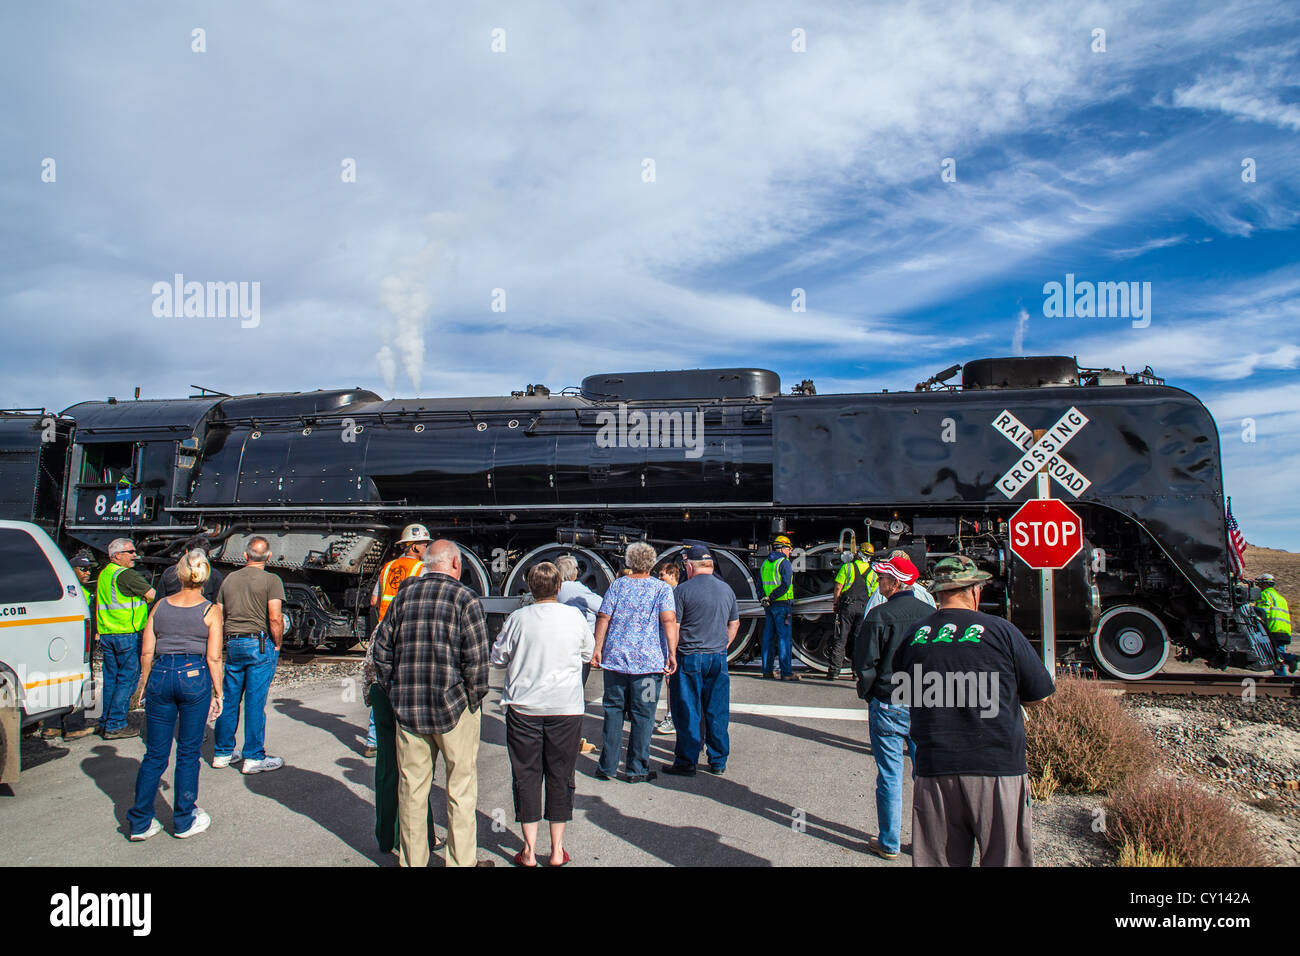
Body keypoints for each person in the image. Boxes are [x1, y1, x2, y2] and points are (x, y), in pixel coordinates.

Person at [894, 555, 1056, 867]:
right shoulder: (1001, 631)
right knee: (1004, 859)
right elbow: (1040, 696)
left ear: (938, 594)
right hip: (996, 767)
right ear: (975, 591)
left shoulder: (914, 635)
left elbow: (905, 692)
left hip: (935, 767)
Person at [371, 539, 494, 867]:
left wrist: (395, 691)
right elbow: (478, 663)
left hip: (409, 709)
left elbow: (381, 651)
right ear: (455, 564)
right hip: (454, 708)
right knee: (461, 791)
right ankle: (460, 862)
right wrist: (471, 699)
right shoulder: (465, 598)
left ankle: (413, 862)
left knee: (411, 792)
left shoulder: (404, 595)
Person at [491, 562, 593, 866]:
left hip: (524, 708)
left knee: (527, 775)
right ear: (559, 587)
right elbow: (588, 652)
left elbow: (498, 658)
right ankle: (558, 850)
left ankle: (530, 851)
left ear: (529, 588)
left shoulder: (517, 619)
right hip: (566, 708)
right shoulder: (574, 617)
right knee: (561, 775)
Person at [127, 550, 224, 840]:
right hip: (193, 676)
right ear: (205, 576)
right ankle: (183, 819)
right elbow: (214, 658)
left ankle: (140, 823)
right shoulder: (210, 610)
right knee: (188, 753)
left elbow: (146, 651)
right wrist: (218, 692)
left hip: (160, 674)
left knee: (155, 754)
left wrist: (144, 684)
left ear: (179, 574)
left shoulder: (159, 607)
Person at [852, 555, 931, 860]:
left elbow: (864, 663)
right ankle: (926, 842)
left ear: (896, 583)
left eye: (883, 578)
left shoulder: (879, 616)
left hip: (888, 702)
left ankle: (889, 842)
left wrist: (870, 694)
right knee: (924, 775)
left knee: (889, 775)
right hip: (925, 701)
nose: (879, 582)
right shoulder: (931, 614)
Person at [592, 541, 678, 782]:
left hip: (616, 662)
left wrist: (597, 648)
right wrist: (672, 653)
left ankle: (606, 766)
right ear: (652, 564)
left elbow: (603, 617)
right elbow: (669, 621)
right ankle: (637, 768)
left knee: (613, 711)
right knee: (644, 714)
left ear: (629, 563)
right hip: (649, 667)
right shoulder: (662, 589)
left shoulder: (618, 586)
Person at [662, 542, 738, 776]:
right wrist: (722, 645)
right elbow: (734, 624)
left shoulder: (682, 591)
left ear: (689, 566)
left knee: (687, 710)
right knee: (716, 710)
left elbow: (674, 625)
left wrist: (671, 655)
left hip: (690, 657)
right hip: (717, 657)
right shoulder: (727, 590)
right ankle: (718, 761)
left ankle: (687, 761)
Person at [213, 536, 285, 774]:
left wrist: (225, 639)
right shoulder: (272, 580)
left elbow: (219, 614)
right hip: (259, 644)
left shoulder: (229, 579)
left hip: (234, 643)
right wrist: (277, 643)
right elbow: (275, 617)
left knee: (230, 698)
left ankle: (222, 753)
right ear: (269, 557)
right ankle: (253, 756)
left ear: (245, 556)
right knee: (255, 702)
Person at [363, 524, 432, 757]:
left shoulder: (388, 567)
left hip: (382, 630)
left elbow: (374, 600)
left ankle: (373, 739)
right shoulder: (422, 569)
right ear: (414, 546)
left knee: (381, 682)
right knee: (405, 681)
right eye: (424, 544)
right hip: (405, 631)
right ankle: (406, 735)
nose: (426, 548)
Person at [95, 538, 157, 739]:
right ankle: (115, 724)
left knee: (111, 679)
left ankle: (106, 720)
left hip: (108, 633)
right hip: (126, 635)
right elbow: (152, 595)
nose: (134, 555)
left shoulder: (105, 574)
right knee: (127, 680)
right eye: (129, 552)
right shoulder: (126, 575)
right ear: (116, 556)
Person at [41, 553, 98, 741]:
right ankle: (74, 726)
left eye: (89, 569)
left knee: (55, 681)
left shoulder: (59, 590)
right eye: (83, 569)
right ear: (70, 570)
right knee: (80, 682)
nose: (87, 572)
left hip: (61, 645)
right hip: (76, 646)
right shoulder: (75, 593)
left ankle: (52, 726)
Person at [556, 554, 603, 754]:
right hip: (578, 648)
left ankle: (560, 738)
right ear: (574, 573)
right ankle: (572, 740)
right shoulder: (577, 589)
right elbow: (603, 606)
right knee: (575, 695)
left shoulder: (554, 589)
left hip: (559, 647)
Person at [828, 543, 877, 681]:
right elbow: (873, 593)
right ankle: (856, 673)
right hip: (863, 608)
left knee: (840, 638)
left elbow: (838, 588)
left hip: (847, 607)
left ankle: (834, 672)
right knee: (858, 640)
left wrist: (836, 604)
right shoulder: (873, 573)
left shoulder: (847, 567)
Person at [760, 534, 797, 680]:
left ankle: (767, 671)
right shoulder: (784, 563)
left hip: (768, 606)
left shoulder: (765, 563)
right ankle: (786, 673)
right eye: (788, 549)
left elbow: (759, 584)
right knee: (784, 639)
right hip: (782, 605)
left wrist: (764, 598)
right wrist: (773, 597)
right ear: (782, 549)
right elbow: (786, 584)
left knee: (768, 638)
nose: (790, 552)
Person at [863, 549, 937, 617]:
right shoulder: (925, 594)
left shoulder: (880, 593)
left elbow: (868, 617)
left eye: (881, 577)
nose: (877, 580)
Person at [654, 561, 681, 735]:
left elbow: (673, 622)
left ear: (672, 575)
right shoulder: (670, 592)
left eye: (662, 574)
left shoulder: (675, 594)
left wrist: (673, 650)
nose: (659, 578)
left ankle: (672, 717)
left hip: (672, 645)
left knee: (672, 682)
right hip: (667, 644)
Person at [157, 535, 225, 603]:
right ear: (207, 554)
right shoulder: (216, 576)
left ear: (186, 551)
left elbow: (159, 601)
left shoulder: (169, 572)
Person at [1255, 574, 1297, 675]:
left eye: (1260, 584)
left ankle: (1291, 659)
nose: (1259, 586)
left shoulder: (1264, 594)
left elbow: (1262, 613)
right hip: (1284, 630)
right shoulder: (1280, 598)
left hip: (1272, 629)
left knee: (1269, 653)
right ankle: (1281, 677)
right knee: (1277, 654)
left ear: (1264, 583)